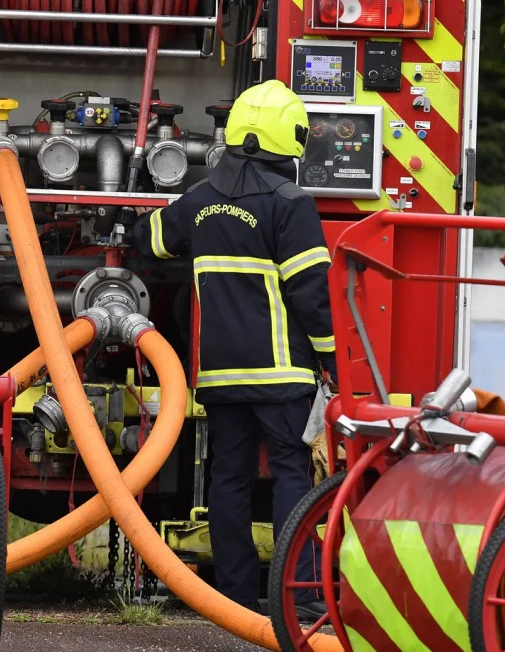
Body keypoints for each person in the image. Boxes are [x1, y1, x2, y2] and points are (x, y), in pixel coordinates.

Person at [128, 79, 335, 618]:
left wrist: (130, 216)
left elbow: (149, 239)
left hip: (219, 376)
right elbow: (312, 297)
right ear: (289, 139)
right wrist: (332, 359)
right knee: (293, 474)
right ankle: (302, 599)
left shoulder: (200, 200)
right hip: (282, 374)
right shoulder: (292, 205)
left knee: (229, 479)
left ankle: (232, 600)